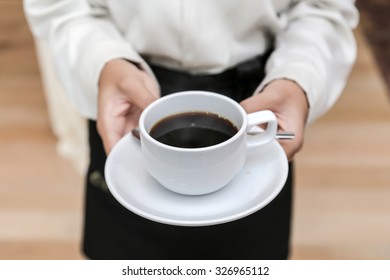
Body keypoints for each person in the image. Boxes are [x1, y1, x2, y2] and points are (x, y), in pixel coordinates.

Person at [23, 0, 359, 259]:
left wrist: (299, 76)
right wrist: (99, 59)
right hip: (127, 101)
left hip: (259, 100)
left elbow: (323, 8)